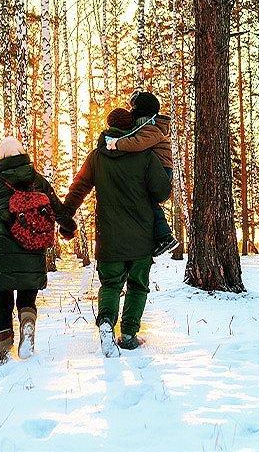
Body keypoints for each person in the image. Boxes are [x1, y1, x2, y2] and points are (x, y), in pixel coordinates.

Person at [65, 108, 173, 356]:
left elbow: (79, 188)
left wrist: (65, 215)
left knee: (111, 285)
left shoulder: (96, 157)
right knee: (137, 285)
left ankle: (105, 323)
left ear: (108, 127)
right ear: (132, 127)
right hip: (141, 238)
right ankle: (128, 334)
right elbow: (162, 193)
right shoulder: (145, 156)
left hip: (109, 238)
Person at [0, 136, 76, 363]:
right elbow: (57, 209)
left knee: (3, 304)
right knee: (26, 300)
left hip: (1, 252)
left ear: (1, 158)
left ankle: (4, 353)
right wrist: (69, 227)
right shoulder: (38, 181)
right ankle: (28, 322)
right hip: (32, 248)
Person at [105, 90, 179, 256]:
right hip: (155, 170)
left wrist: (116, 144)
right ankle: (158, 236)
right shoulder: (148, 126)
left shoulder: (152, 129)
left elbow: (137, 143)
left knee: (149, 202)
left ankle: (165, 236)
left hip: (161, 171)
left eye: (134, 110)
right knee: (146, 202)